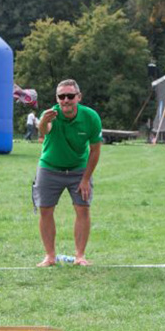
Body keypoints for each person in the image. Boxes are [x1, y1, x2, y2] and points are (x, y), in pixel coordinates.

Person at [33, 79, 102, 266]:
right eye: (61, 96)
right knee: (45, 210)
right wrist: (43, 122)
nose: (65, 100)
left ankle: (80, 256)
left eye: (70, 96)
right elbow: (43, 132)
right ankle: (50, 256)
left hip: (78, 169)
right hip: (49, 167)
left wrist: (86, 179)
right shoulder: (50, 115)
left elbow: (95, 149)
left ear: (78, 97)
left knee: (83, 209)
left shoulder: (90, 117)